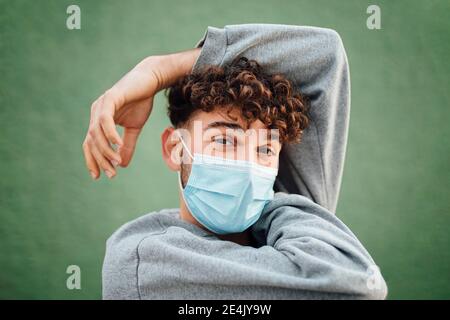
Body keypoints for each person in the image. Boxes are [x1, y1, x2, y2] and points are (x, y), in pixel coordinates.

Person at [83, 23, 388, 299]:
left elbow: (325, 53)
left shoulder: (290, 228)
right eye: (225, 141)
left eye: (265, 149)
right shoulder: (145, 260)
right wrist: (157, 73)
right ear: (175, 148)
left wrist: (161, 69)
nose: (247, 166)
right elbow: (356, 284)